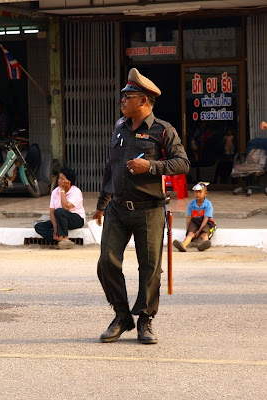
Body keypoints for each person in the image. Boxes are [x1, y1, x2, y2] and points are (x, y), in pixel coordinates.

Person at [93, 68, 190, 345]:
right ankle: (122, 316)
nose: (122, 100)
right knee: (106, 263)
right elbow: (110, 168)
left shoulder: (163, 130)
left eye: (129, 96)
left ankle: (145, 321)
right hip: (118, 208)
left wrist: (151, 166)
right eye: (123, 96)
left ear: (144, 101)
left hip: (149, 210)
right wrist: (101, 204)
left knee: (150, 268)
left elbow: (182, 164)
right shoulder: (119, 128)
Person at [35, 166, 86, 250]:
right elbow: (52, 212)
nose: (59, 181)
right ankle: (60, 239)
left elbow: (65, 207)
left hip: (76, 219)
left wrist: (62, 190)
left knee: (59, 211)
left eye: (62, 179)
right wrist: (55, 227)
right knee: (39, 226)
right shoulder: (55, 192)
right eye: (59, 178)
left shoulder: (76, 192)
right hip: (60, 220)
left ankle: (65, 237)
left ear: (69, 181)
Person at [173, 182, 216, 252]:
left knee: (204, 234)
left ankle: (205, 244)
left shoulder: (208, 204)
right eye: (196, 192)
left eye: (200, 192)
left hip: (207, 222)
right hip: (195, 221)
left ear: (206, 193)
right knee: (190, 234)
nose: (197, 194)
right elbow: (189, 217)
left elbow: (206, 218)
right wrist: (188, 228)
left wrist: (199, 230)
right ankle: (183, 245)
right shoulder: (191, 204)